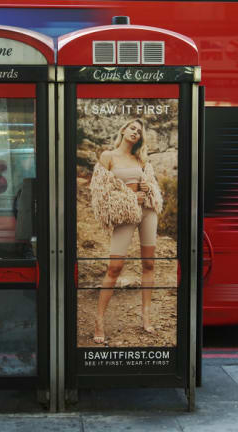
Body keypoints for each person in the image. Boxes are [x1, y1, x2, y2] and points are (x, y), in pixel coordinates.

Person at [88, 118, 164, 344]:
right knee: (115, 267)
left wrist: (148, 187)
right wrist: (131, 198)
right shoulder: (108, 156)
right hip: (126, 213)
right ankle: (99, 320)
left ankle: (146, 316)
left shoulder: (141, 158)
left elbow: (151, 185)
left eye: (139, 131)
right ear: (123, 130)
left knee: (149, 264)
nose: (135, 133)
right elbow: (101, 194)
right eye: (132, 128)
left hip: (147, 211)